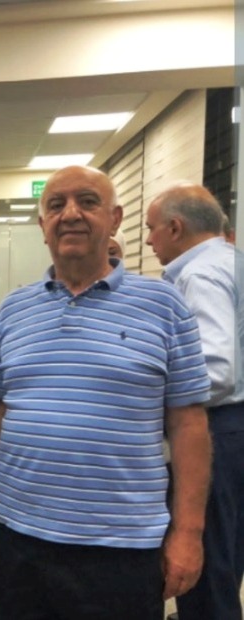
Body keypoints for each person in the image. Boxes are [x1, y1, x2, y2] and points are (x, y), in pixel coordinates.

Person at [0, 165, 212, 619]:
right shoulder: (12, 310)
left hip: (122, 546)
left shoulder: (164, 306)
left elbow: (189, 425)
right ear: (43, 226)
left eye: (87, 202)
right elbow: (2, 412)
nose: (70, 214)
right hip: (19, 537)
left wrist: (188, 533)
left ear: (115, 219)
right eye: (56, 205)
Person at [146, 184, 244, 620]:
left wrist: (148, 396)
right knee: (226, 562)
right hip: (235, 430)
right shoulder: (232, 262)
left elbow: (216, 370)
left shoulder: (199, 276)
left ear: (175, 227)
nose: (148, 240)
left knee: (205, 575)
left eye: (151, 229)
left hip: (216, 433)